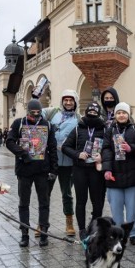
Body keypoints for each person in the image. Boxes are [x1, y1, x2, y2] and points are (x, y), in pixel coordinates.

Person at [6, 99, 59, 247]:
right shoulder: (19, 123)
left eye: (38, 113)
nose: (35, 116)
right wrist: (22, 153)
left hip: (42, 170)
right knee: (24, 203)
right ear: (27, 112)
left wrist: (54, 169)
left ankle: (43, 233)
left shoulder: (47, 125)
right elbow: (9, 141)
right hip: (24, 170)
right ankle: (24, 233)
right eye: (32, 113)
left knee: (44, 202)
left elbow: (53, 148)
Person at [61, 102, 107, 239]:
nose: (92, 114)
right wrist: (77, 154)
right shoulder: (78, 128)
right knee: (81, 200)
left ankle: (94, 226)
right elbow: (65, 147)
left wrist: (102, 156)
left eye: (95, 112)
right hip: (80, 170)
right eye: (90, 112)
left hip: (96, 170)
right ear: (86, 112)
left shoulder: (104, 129)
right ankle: (82, 229)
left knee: (97, 201)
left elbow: (109, 148)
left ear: (98, 114)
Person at [101, 102, 135, 245]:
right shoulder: (109, 130)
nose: (121, 115)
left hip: (132, 175)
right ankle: (118, 233)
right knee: (116, 208)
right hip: (115, 175)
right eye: (119, 112)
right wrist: (107, 169)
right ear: (115, 115)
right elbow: (106, 150)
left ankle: (132, 233)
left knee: (133, 207)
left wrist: (131, 148)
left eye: (124, 112)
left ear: (128, 114)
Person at [43, 89, 80, 237]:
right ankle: (42, 222)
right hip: (52, 161)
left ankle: (69, 222)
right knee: (45, 192)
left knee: (67, 193)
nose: (68, 102)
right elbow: (35, 112)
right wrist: (36, 98)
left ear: (75, 102)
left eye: (71, 100)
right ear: (62, 101)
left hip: (69, 162)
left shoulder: (79, 119)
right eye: (66, 100)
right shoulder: (53, 114)